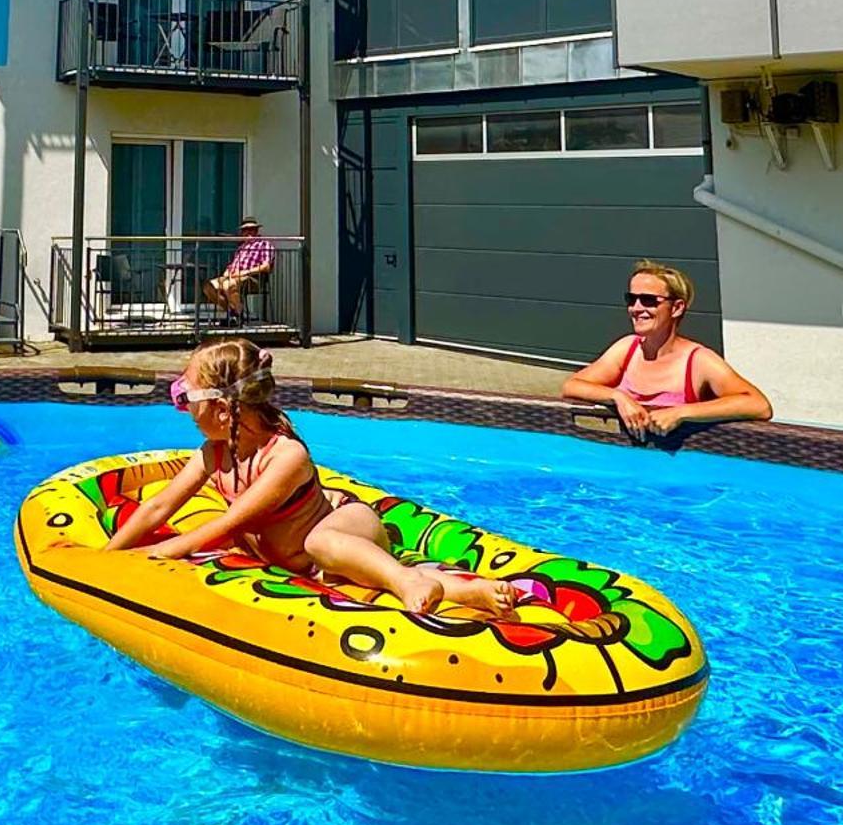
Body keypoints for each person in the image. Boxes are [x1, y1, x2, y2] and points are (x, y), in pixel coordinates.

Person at [105, 338, 517, 617]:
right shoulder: (213, 453)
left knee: (322, 543)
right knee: (343, 571)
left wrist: (164, 553)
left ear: (224, 411)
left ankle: (406, 580)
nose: (183, 410)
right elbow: (158, 506)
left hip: (347, 524)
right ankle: (469, 592)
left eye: (185, 398)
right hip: (316, 567)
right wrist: (108, 556)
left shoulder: (286, 456)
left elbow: (232, 523)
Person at [562, 259, 773, 443]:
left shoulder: (698, 361)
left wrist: (681, 412)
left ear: (677, 308)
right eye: (631, 299)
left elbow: (759, 405)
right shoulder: (628, 349)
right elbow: (572, 386)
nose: (636, 308)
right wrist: (617, 396)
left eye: (648, 300)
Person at [202, 217, 273, 320]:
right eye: (245, 230)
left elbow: (266, 267)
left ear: (256, 231)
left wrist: (243, 272)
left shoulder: (264, 244)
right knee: (208, 287)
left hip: (252, 278)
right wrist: (227, 272)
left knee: (228, 285)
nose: (248, 232)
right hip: (233, 277)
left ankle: (236, 315)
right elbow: (233, 265)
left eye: (251, 229)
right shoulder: (241, 247)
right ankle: (235, 312)